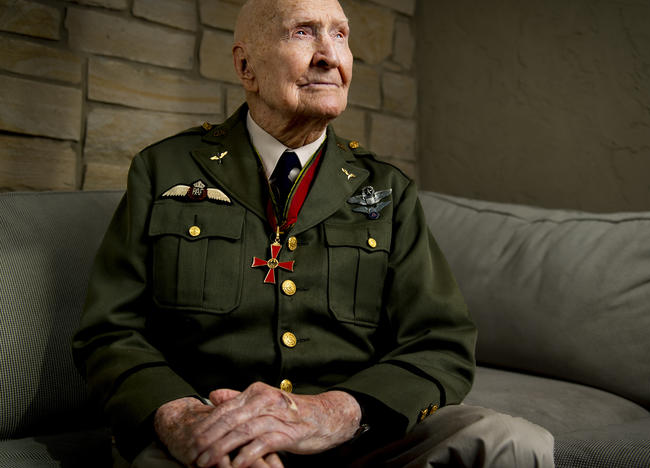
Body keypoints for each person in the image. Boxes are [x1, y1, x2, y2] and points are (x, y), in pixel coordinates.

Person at [73, 0, 555, 467]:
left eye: (340, 34)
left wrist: (337, 413)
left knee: (511, 443)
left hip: (353, 437)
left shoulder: (385, 188)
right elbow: (109, 332)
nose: (329, 55)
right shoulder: (165, 169)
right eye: (303, 32)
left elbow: (441, 341)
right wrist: (180, 417)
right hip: (213, 429)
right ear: (246, 66)